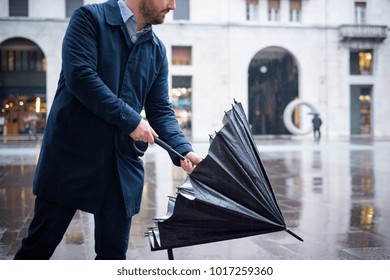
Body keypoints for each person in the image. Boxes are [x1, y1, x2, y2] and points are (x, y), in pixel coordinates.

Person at [14, 0, 202, 260]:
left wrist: (183, 150)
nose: (172, 5)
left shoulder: (156, 49)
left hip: (120, 168)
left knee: (113, 257)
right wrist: (131, 119)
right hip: (71, 161)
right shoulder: (88, 19)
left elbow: (160, 110)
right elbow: (81, 77)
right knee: (38, 248)